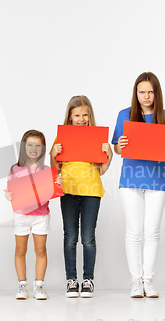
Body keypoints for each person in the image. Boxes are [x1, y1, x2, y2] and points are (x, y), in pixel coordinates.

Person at [112, 72, 165, 298]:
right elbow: (117, 149)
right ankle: (136, 281)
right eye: (142, 92)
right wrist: (120, 145)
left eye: (150, 91)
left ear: (156, 93)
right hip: (131, 177)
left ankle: (148, 280)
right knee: (134, 232)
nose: (146, 96)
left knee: (152, 231)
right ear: (136, 93)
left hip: (157, 177)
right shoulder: (125, 115)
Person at [51, 95, 113, 298]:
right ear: (69, 117)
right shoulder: (62, 137)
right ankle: (71, 280)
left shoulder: (96, 137)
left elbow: (101, 170)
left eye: (85, 115)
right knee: (70, 237)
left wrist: (109, 155)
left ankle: (88, 280)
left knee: (88, 238)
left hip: (91, 192)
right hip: (68, 190)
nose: (81, 118)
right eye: (77, 115)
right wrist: (53, 154)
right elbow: (54, 169)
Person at [4, 130, 61, 300]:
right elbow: (11, 192)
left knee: (40, 250)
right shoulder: (15, 168)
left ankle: (39, 285)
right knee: (20, 249)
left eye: (38, 145)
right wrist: (8, 195)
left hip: (41, 216)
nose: (34, 148)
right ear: (23, 147)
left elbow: (53, 190)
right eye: (30, 145)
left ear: (43, 149)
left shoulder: (46, 170)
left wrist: (58, 183)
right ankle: (22, 285)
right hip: (21, 215)